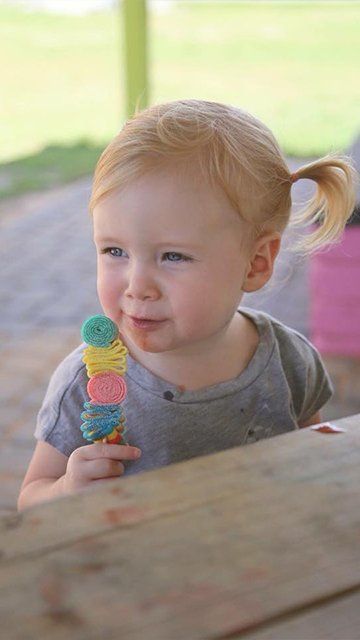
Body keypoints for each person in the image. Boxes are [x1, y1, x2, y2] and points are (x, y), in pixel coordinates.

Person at [17, 99, 357, 510]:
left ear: (256, 262)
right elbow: (30, 499)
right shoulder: (85, 384)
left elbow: (310, 459)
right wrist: (67, 490)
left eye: (172, 257)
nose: (137, 286)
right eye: (114, 251)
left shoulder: (289, 360)